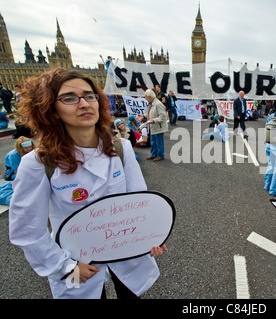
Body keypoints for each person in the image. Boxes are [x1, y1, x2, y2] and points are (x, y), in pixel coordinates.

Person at [9, 68, 167, 299]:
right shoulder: (37, 163)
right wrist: (65, 268)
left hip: (127, 253)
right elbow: (27, 231)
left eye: (89, 95)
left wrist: (152, 237)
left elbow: (140, 204)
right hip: (74, 263)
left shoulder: (121, 148)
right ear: (49, 109)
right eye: (70, 98)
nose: (84, 103)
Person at [145, 89, 168, 161]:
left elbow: (163, 117)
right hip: (153, 126)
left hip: (158, 126)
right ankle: (154, 154)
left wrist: (154, 120)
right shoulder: (152, 104)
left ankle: (160, 155)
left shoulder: (158, 104)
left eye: (146, 97)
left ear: (150, 97)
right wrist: (144, 116)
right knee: (153, 141)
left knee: (158, 142)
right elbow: (151, 114)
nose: (145, 99)